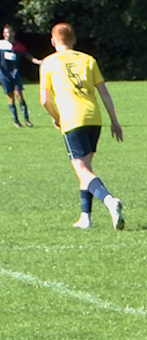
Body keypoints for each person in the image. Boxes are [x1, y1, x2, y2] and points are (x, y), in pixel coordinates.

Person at [39, 23, 124, 229]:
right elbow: (104, 92)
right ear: (74, 39)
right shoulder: (88, 59)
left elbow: (44, 100)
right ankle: (85, 217)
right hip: (94, 118)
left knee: (83, 170)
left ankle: (109, 201)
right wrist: (114, 120)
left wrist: (56, 117)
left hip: (72, 119)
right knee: (86, 168)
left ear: (52, 41)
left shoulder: (48, 63)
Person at [0, 24, 33, 126]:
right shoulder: (0, 45)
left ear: (13, 33)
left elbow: (29, 57)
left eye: (8, 32)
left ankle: (27, 120)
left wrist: (39, 62)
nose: (6, 34)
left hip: (15, 73)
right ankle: (16, 121)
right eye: (4, 32)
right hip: (4, 75)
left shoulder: (19, 46)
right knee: (10, 97)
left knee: (20, 96)